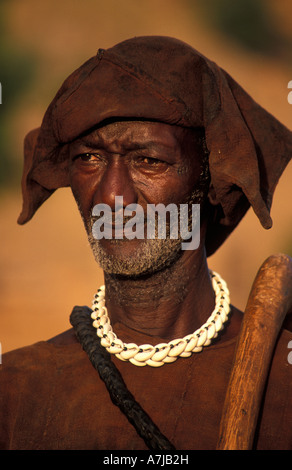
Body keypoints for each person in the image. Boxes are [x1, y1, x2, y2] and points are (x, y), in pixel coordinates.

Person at [0, 36, 291, 451]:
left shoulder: (280, 383)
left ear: (209, 182)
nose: (112, 196)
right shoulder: (15, 391)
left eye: (148, 161)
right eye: (90, 158)